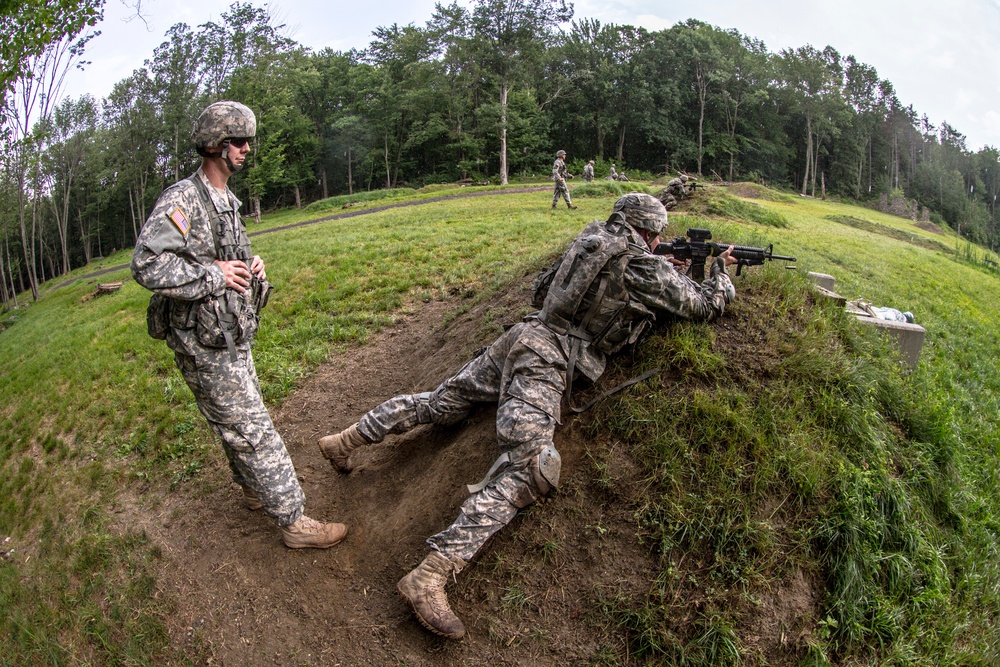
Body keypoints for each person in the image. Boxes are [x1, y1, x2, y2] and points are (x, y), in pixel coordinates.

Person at [317, 193, 738, 639]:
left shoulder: (591, 237)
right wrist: (720, 274)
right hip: (546, 362)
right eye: (656, 236)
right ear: (649, 232)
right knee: (531, 471)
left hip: (523, 334)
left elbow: (542, 287)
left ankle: (345, 440)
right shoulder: (643, 265)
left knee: (440, 403)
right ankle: (430, 575)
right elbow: (704, 307)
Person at [132, 101, 347, 550]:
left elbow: (224, 259)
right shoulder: (183, 198)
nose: (248, 149)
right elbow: (147, 264)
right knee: (254, 428)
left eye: (248, 141)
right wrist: (215, 275)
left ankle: (254, 488)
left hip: (227, 334)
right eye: (239, 141)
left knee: (240, 423)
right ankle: (294, 522)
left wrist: (251, 270)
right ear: (215, 146)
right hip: (201, 342)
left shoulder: (227, 200)